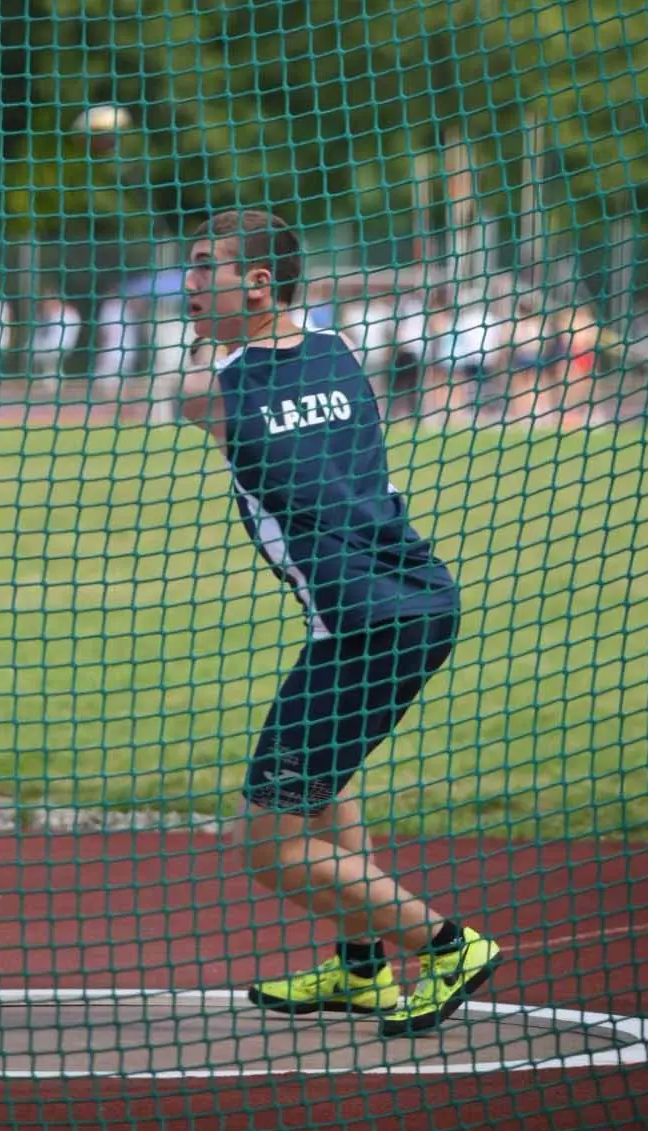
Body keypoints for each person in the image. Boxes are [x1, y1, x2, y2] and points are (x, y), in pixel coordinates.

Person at [177, 209, 502, 1037]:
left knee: (272, 844)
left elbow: (193, 381)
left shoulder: (213, 389)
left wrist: (201, 335)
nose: (187, 284)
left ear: (256, 284)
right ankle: (361, 969)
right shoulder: (342, 350)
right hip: (406, 596)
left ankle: (447, 946)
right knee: (329, 788)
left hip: (365, 625)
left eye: (202, 268)